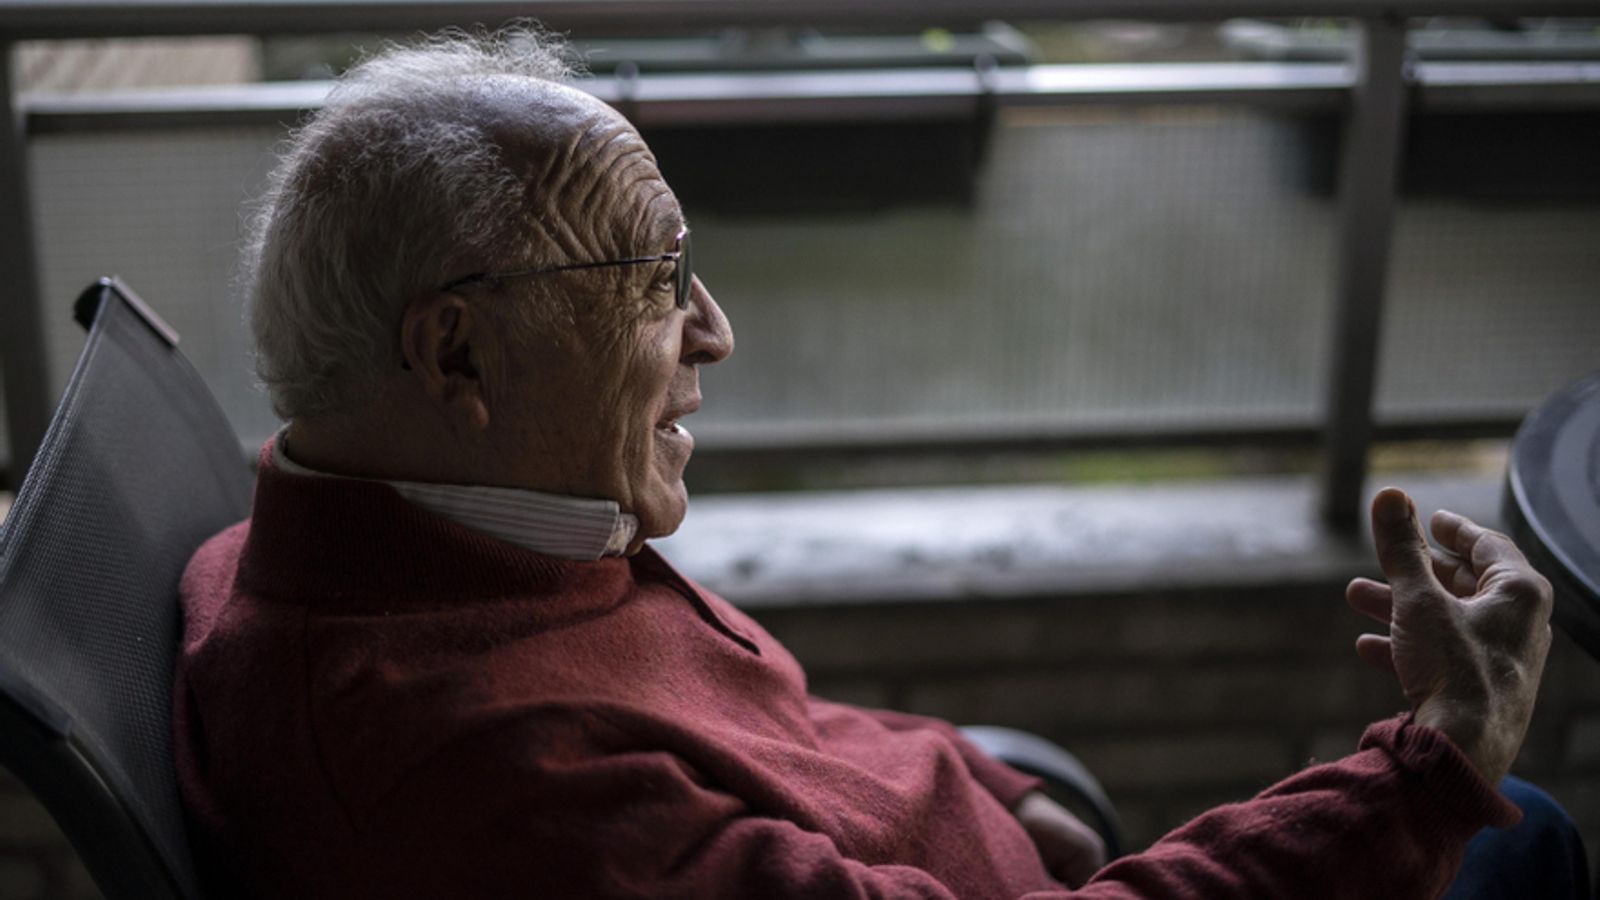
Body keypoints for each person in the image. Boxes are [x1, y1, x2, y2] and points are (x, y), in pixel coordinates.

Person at [173, 27, 1581, 898]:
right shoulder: (496, 780)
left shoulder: (372, 533)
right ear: (457, 357)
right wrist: (1434, 759)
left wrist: (985, 782)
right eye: (655, 281)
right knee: (1520, 831)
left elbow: (764, 747)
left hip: (1018, 853)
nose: (714, 333)